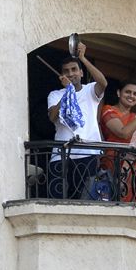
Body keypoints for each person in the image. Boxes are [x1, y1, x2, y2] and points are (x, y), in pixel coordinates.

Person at [45, 42, 108, 198]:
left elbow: (103, 83)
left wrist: (83, 58)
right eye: (66, 71)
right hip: (61, 154)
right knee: (57, 199)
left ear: (81, 72)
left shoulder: (90, 90)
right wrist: (68, 92)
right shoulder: (55, 95)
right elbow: (53, 117)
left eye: (74, 69)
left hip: (88, 153)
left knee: (85, 199)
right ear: (62, 76)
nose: (71, 73)